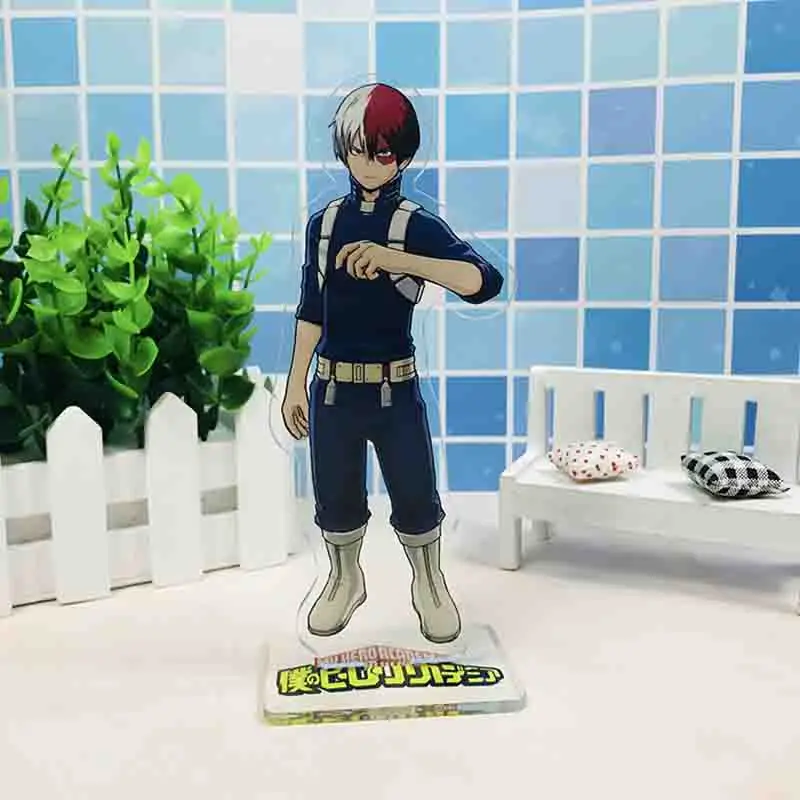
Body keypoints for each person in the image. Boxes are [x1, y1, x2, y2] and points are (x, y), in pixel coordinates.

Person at [281, 82, 503, 645]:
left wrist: (398, 260)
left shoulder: (413, 224)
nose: (369, 163)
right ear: (343, 151)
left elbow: (482, 281)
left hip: (394, 391)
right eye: (359, 150)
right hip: (333, 390)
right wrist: (294, 383)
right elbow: (311, 308)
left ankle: (429, 582)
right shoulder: (324, 225)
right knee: (335, 497)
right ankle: (344, 578)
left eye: (382, 152)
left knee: (414, 493)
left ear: (402, 156)